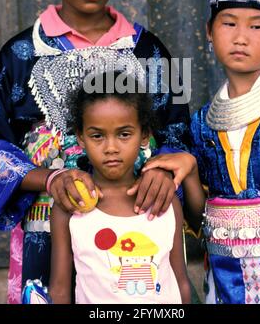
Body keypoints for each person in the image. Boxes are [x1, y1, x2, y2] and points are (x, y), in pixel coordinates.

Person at [0, 0, 194, 304]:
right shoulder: (19, 53)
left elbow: (181, 133)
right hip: (47, 230)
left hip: (133, 227)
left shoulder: (154, 51)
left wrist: (166, 167)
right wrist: (48, 178)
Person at [143, 0, 260, 304]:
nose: (240, 37)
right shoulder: (201, 123)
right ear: (209, 31)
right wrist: (189, 171)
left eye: (257, 26)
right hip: (224, 275)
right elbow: (197, 216)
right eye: (228, 23)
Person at [49, 71, 191, 304]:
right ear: (81, 137)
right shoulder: (71, 206)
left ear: (144, 135)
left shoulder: (164, 200)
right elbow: (60, 291)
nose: (111, 147)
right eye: (97, 136)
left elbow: (180, 282)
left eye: (124, 134)